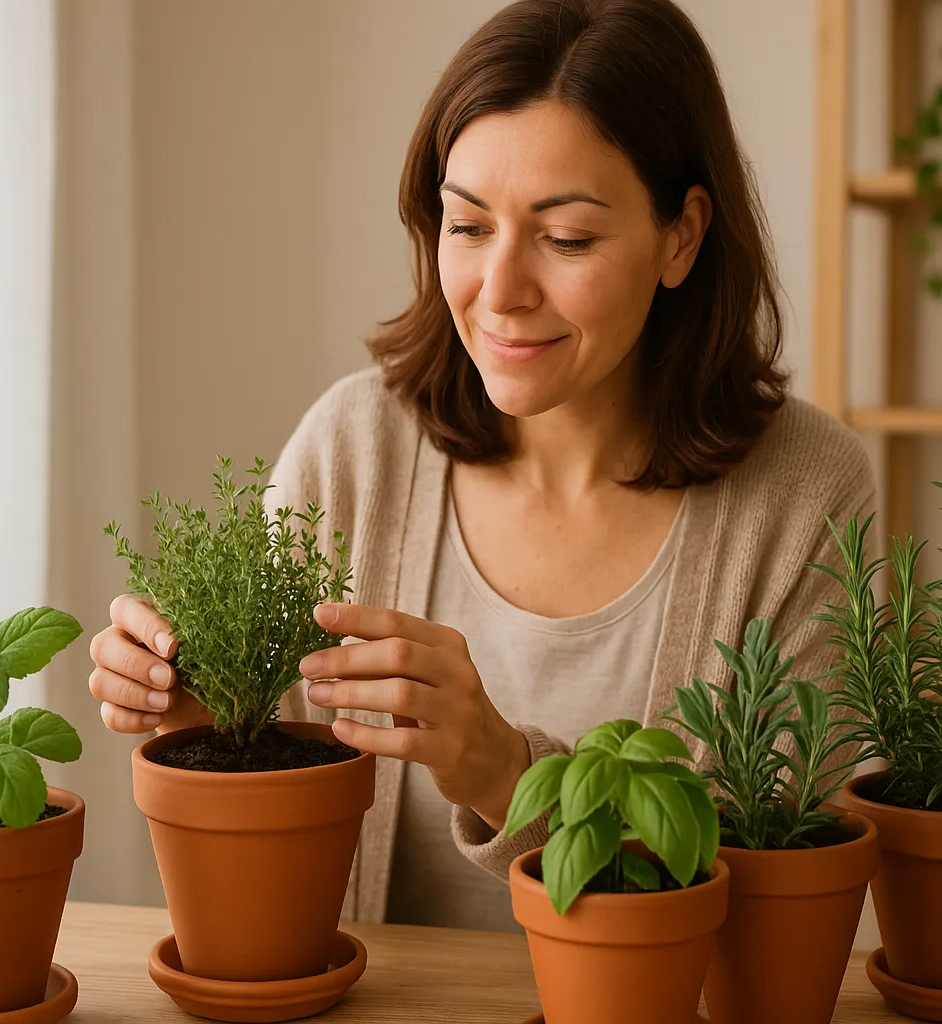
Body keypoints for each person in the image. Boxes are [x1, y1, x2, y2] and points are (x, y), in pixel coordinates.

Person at [86, 0, 872, 931]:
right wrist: (191, 711)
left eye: (566, 237)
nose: (499, 293)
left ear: (682, 236)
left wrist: (506, 772)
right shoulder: (352, 453)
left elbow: (782, 911)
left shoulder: (805, 494)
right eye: (467, 227)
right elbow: (264, 792)